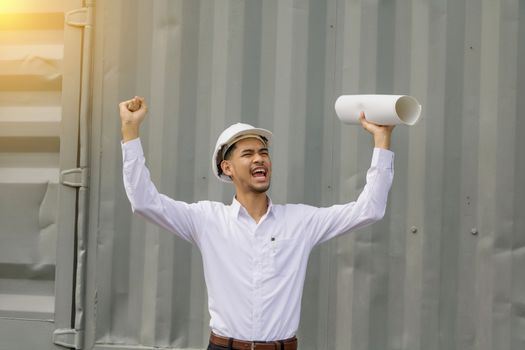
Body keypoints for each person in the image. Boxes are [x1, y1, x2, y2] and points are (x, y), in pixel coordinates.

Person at [119, 96, 395, 350]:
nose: (259, 158)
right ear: (227, 168)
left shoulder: (300, 221)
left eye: (263, 152)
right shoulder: (207, 220)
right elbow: (145, 202)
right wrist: (131, 132)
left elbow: (368, 210)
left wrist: (382, 140)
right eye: (248, 153)